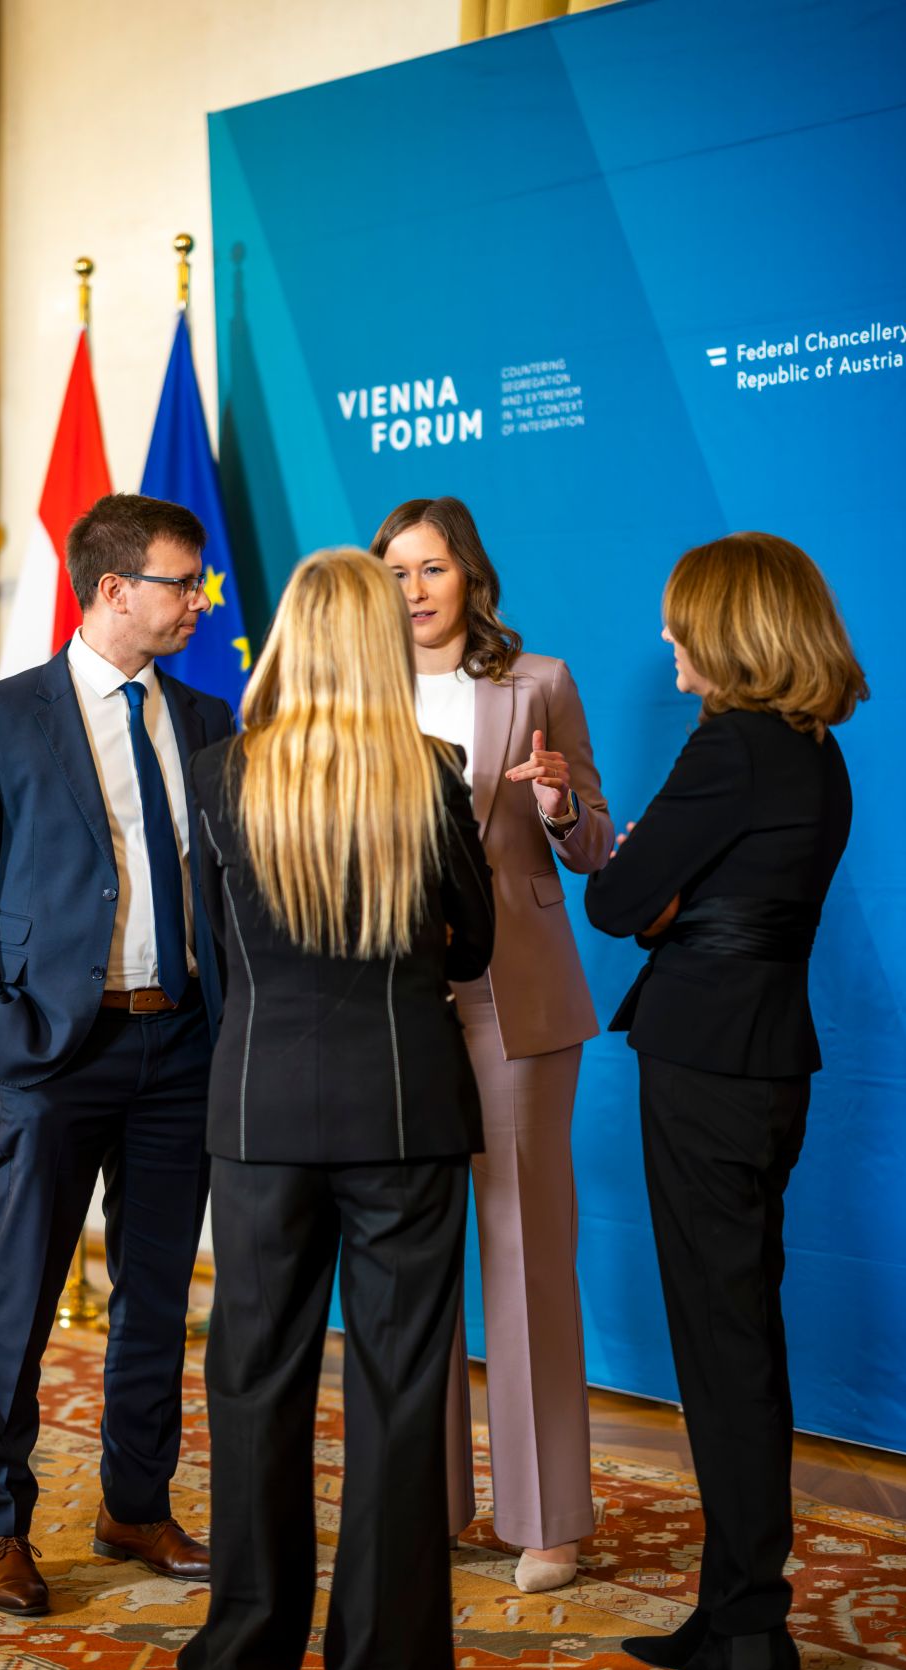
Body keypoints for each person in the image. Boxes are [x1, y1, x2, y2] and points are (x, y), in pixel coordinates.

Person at [177, 548, 495, 1670]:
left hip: (258, 1116)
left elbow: (216, 953)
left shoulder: (218, 776)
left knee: (254, 1385)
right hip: (407, 1114)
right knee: (401, 1391)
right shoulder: (432, 774)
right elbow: (467, 950)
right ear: (374, 641)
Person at [0, 492, 235, 1616]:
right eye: (179, 583)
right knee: (24, 1289)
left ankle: (133, 1501)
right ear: (112, 590)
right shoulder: (0, 717)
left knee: (155, 1293)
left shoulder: (205, 722)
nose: (197, 600)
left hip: (180, 1045)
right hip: (56, 1052)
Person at [585, 532, 867, 1670]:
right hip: (757, 1062)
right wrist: (674, 904)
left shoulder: (730, 748)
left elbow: (612, 900)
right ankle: (728, 1602)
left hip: (709, 1066)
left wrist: (664, 902)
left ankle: (750, 1633)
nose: (665, 638)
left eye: (678, 618)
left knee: (726, 1347)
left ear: (731, 628)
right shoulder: (812, 751)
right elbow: (663, 900)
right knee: (733, 1334)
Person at [372, 496, 613, 1592]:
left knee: (524, 1252)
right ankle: (437, 1501)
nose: (414, 590)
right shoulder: (356, 690)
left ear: (470, 573)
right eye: (395, 571)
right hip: (392, 1006)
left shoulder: (542, 682)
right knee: (413, 1259)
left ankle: (547, 1515)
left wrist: (562, 804)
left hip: (511, 1001)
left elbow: (597, 847)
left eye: (431, 568)